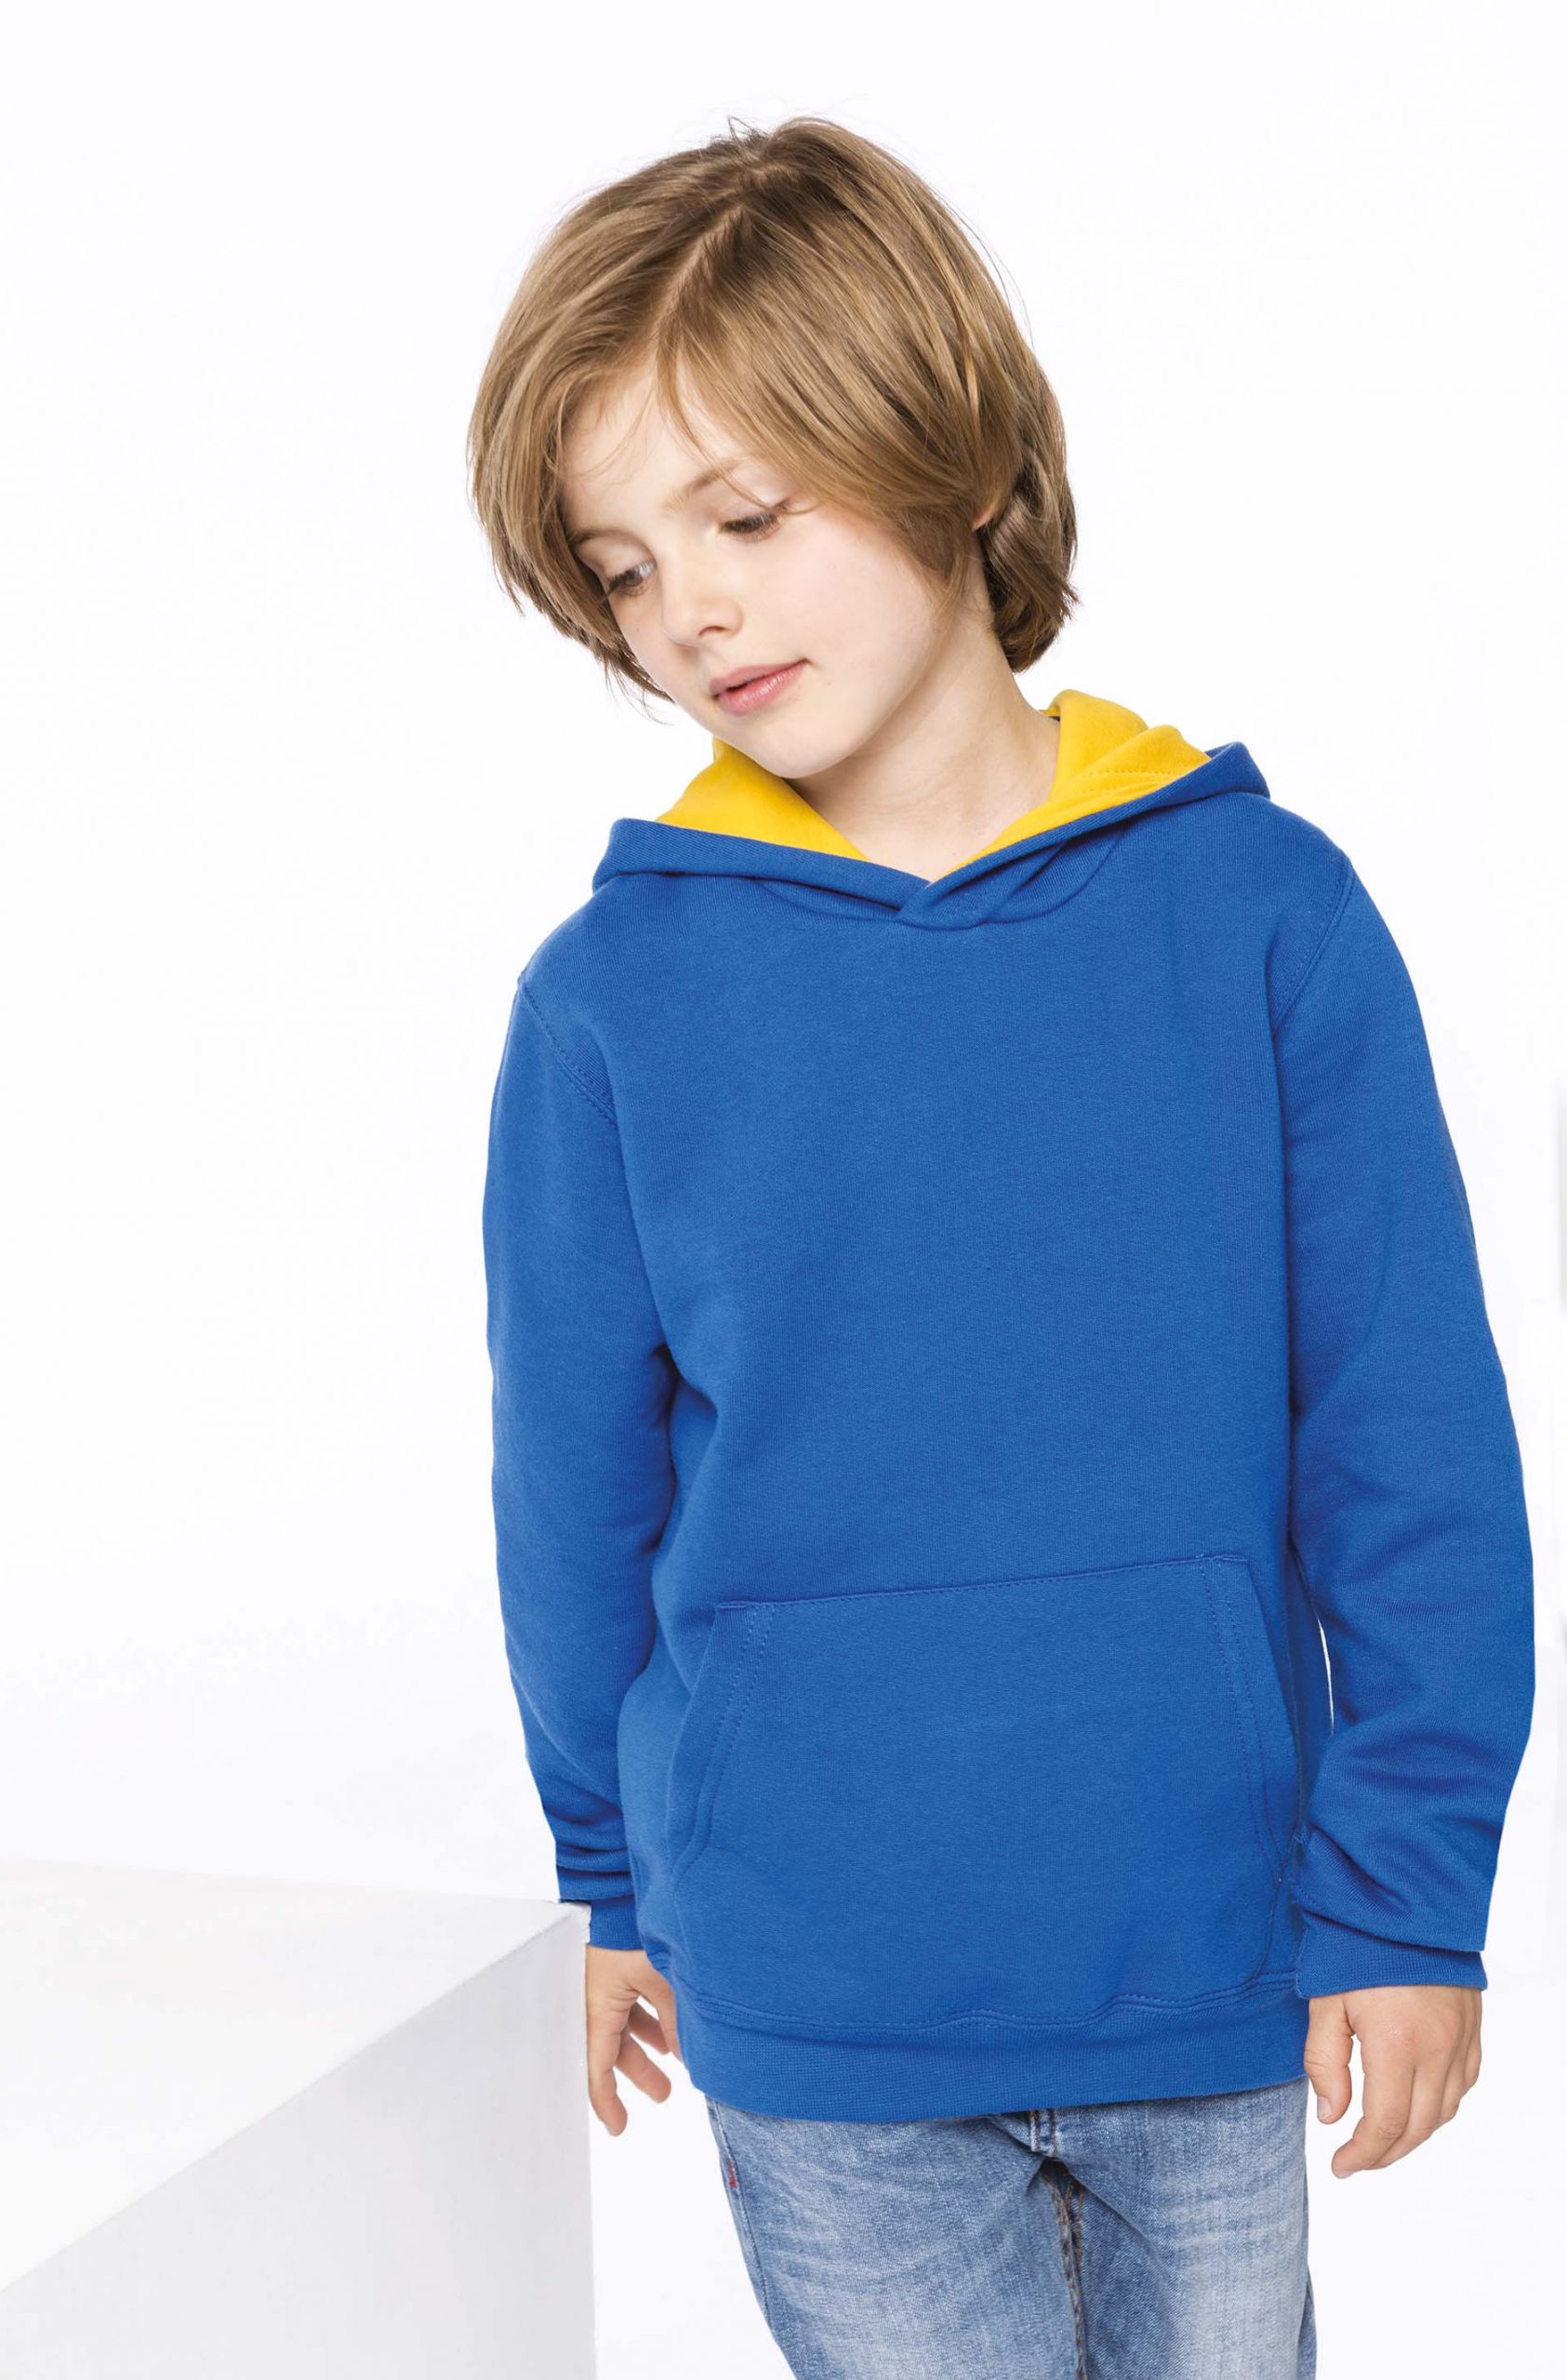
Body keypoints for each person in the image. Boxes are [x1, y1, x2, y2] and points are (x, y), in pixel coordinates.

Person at [465, 115, 1535, 2378]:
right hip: (811, 1990)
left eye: (743, 514)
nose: (690, 612)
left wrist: (1407, 1888)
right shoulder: (611, 1000)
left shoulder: (1256, 913)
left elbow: (1404, 1435)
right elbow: (572, 1494)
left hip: (1207, 1949)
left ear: (947, 454)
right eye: (625, 568)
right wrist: (612, 1874)